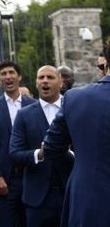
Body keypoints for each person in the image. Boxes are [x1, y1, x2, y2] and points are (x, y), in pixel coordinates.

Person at [43, 42, 110, 225]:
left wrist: (83, 162)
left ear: (105, 65)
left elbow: (50, 148)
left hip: (88, 201)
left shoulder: (75, 98)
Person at [9, 65, 73, 227]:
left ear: (61, 83)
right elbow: (14, 153)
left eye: (50, 77)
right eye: (41, 77)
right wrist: (40, 153)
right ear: (36, 83)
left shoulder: (74, 108)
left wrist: (69, 154)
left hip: (71, 193)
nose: (45, 81)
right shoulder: (24, 114)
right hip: (37, 199)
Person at [0, 61, 36, 227]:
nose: (8, 77)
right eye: (3, 74)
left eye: (11, 72)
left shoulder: (33, 105)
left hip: (31, 176)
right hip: (6, 179)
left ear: (19, 76)